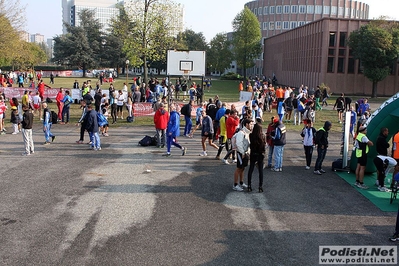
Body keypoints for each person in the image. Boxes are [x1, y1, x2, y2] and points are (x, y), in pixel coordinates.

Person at [233, 119, 251, 191]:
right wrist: (242, 153)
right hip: (241, 153)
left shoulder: (247, 132)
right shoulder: (241, 133)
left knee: (243, 168)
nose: (252, 125)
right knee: (239, 168)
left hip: (245, 153)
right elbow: (239, 143)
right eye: (251, 124)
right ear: (246, 124)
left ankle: (241, 182)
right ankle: (235, 185)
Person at [247, 123, 266, 193]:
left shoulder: (251, 135)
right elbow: (264, 145)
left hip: (253, 153)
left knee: (251, 169)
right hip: (260, 154)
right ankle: (260, 186)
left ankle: (249, 185)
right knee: (260, 171)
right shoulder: (263, 136)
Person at [373, 127, 390, 192]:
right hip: (382, 155)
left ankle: (379, 181)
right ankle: (381, 183)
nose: (388, 133)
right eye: (387, 131)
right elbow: (387, 145)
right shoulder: (382, 138)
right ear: (384, 132)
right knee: (382, 170)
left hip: (380, 154)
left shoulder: (379, 137)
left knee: (379, 169)